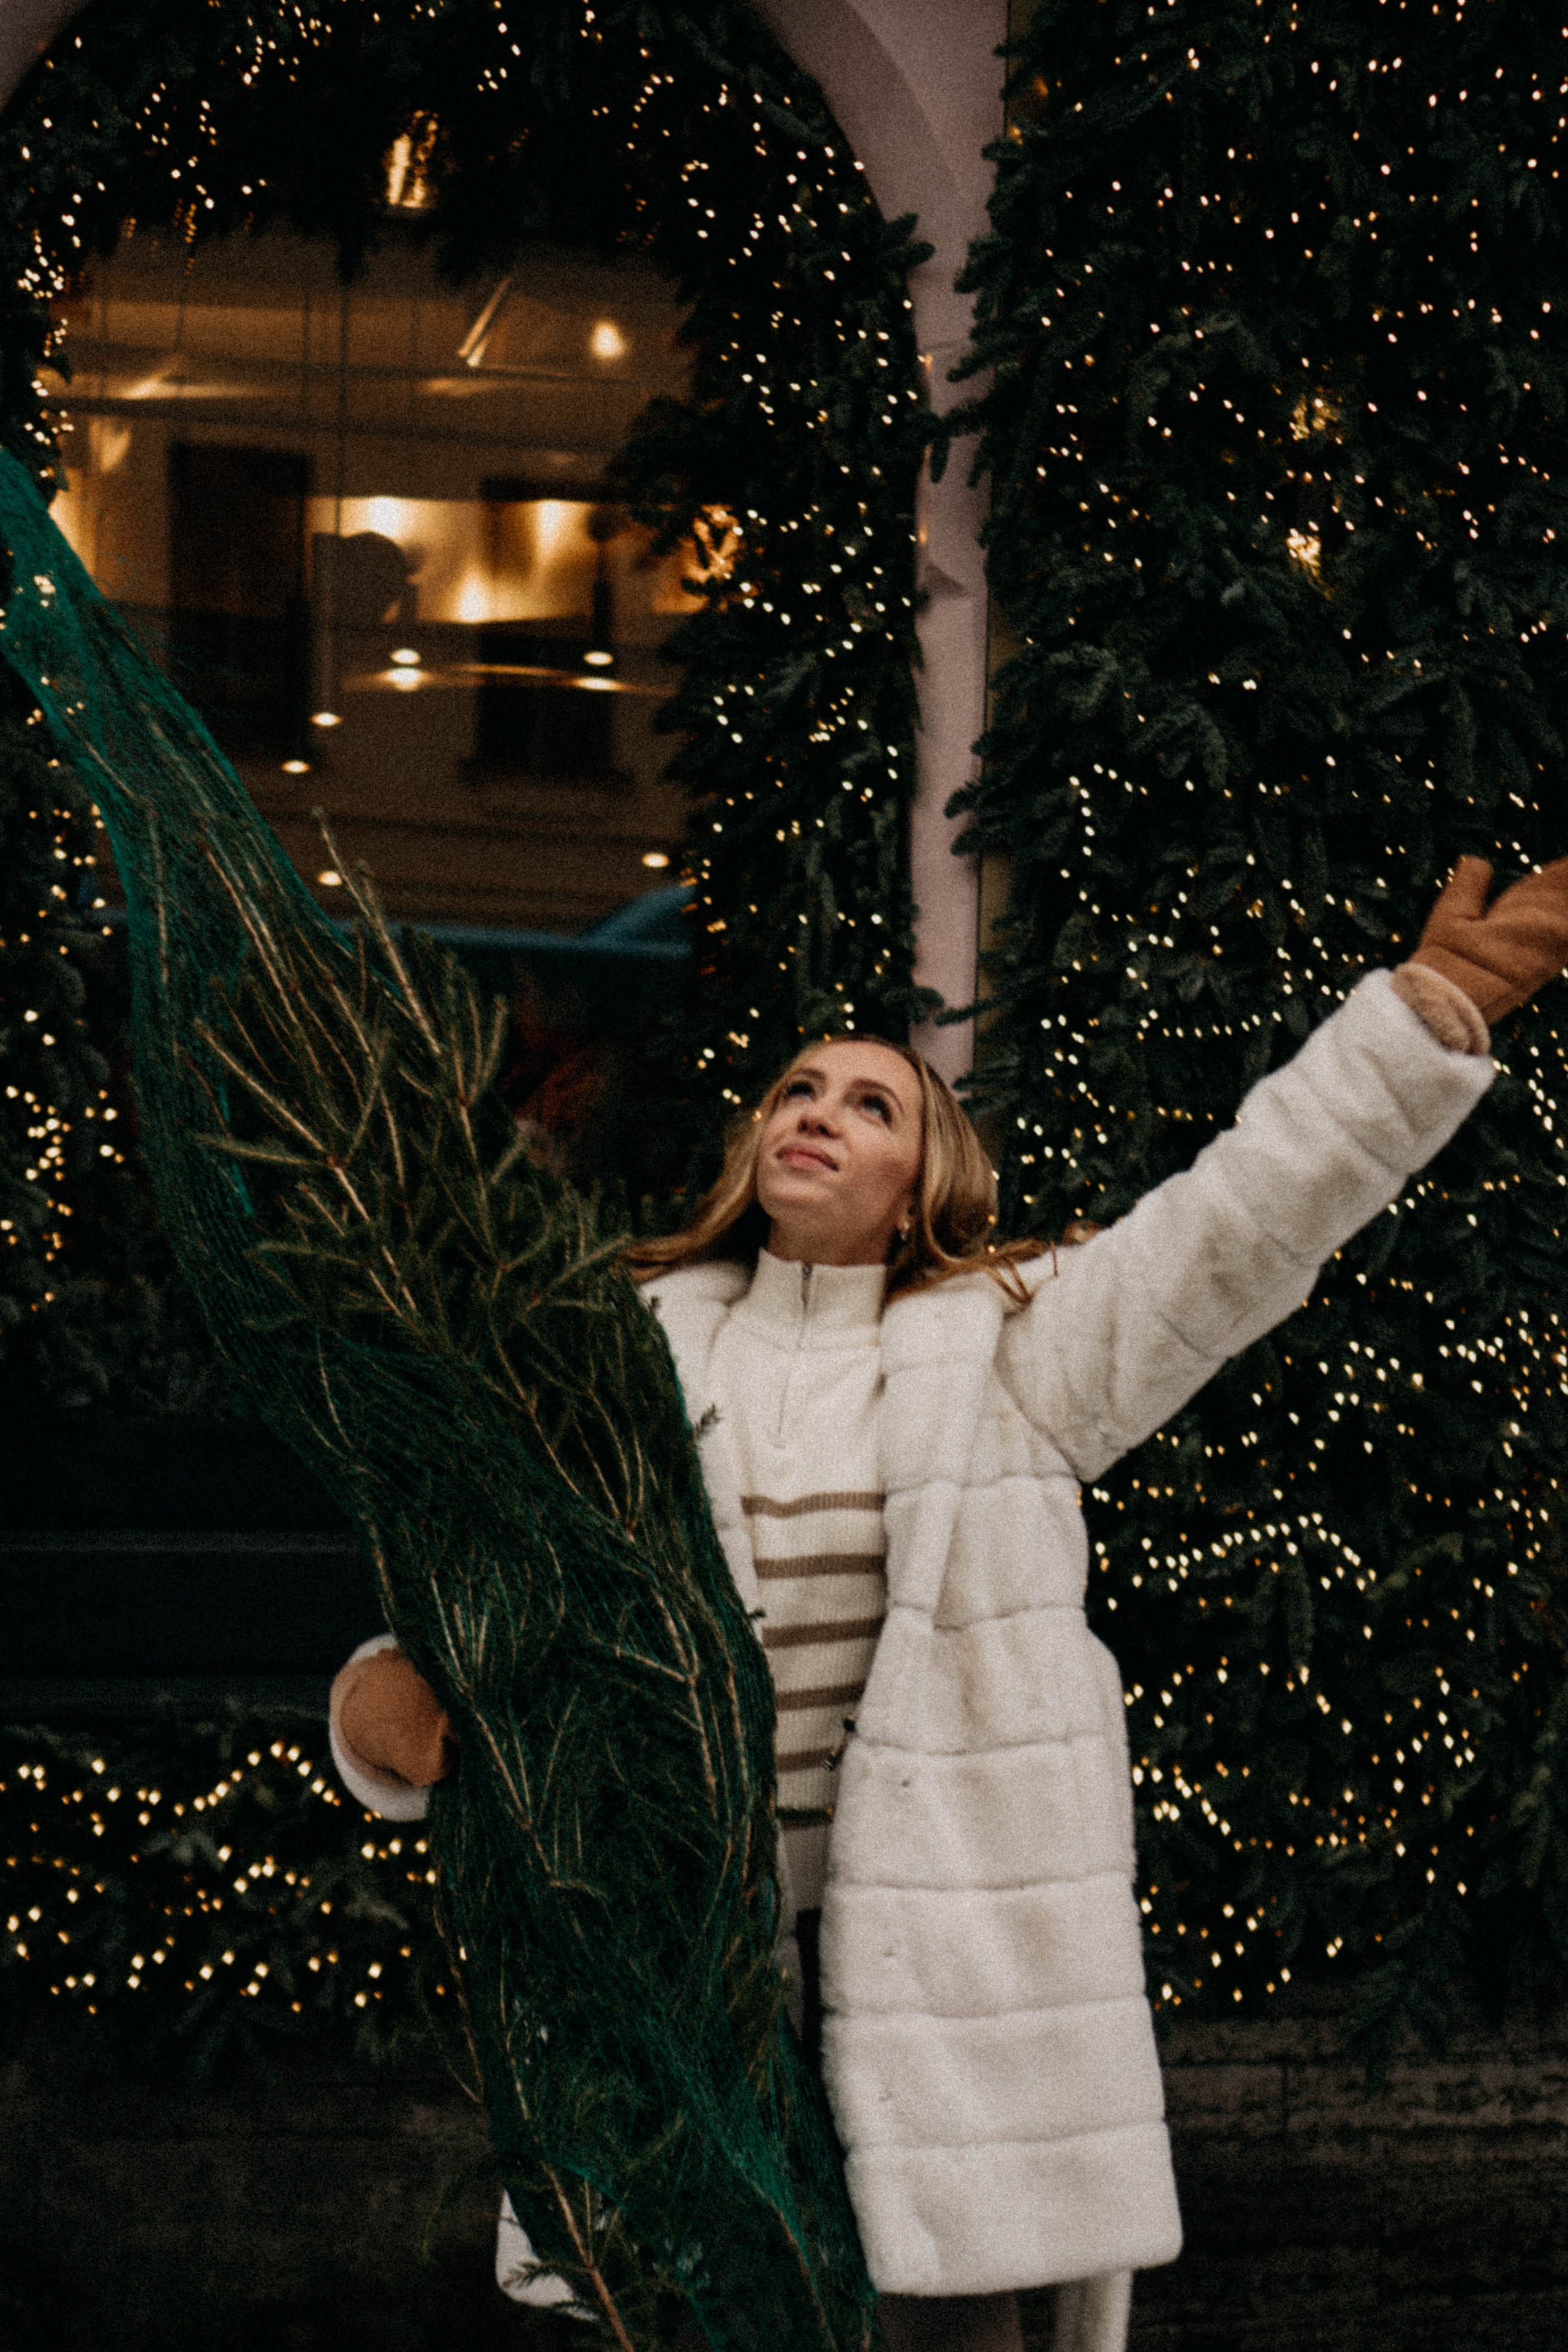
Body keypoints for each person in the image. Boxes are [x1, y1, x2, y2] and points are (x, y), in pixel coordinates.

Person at [330, 855, 1568, 2352]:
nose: (818, 1113)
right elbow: (493, 1589)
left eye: (872, 1105)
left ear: (925, 1181)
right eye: (798, 1090)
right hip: (683, 1980)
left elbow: (1238, 1222)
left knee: (946, 2327)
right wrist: (388, 1692)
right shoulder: (627, 1353)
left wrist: (1421, 1017)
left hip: (944, 1997)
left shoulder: (1015, 1357)